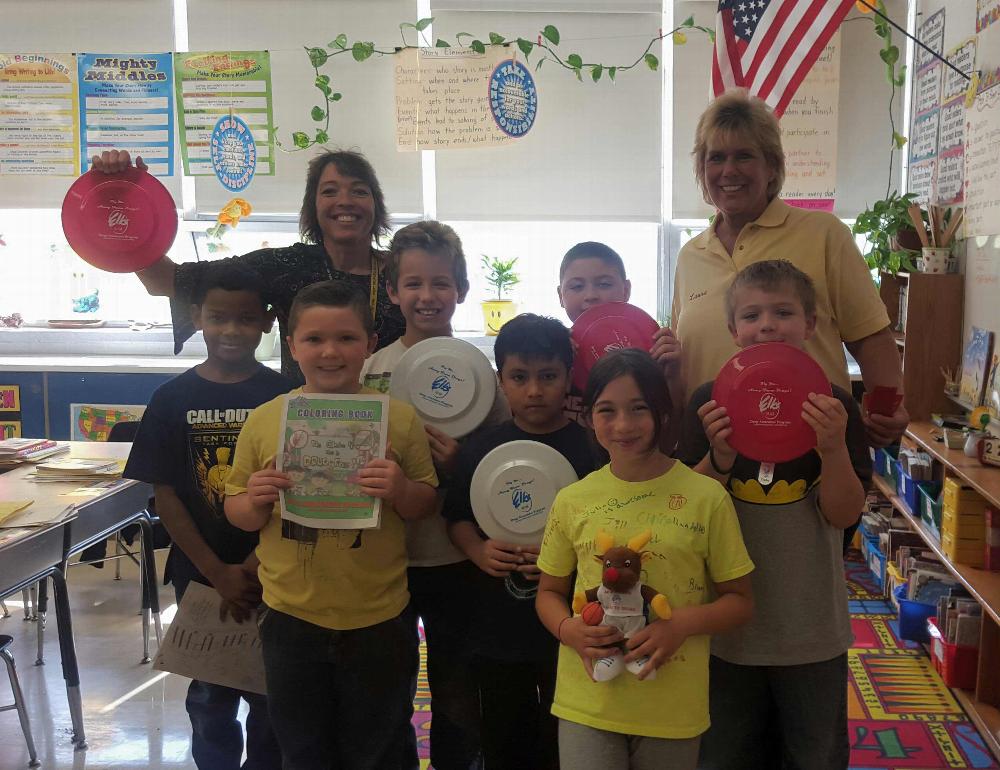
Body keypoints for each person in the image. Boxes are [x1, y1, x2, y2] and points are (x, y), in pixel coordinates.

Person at [224, 280, 438, 770]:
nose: (330, 351)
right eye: (314, 339)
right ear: (292, 344)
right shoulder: (266, 420)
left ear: (369, 344)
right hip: (290, 616)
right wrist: (255, 500)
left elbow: (425, 502)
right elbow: (237, 509)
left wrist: (401, 488)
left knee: (380, 746)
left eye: (345, 338)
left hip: (379, 616)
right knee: (302, 747)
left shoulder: (399, 420)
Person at [676, 260, 870, 770]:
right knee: (724, 752)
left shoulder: (835, 407)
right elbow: (686, 513)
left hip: (811, 627)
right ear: (733, 330)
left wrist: (831, 448)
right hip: (726, 627)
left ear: (810, 324)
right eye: (752, 314)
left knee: (813, 753)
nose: (767, 324)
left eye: (783, 312)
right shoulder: (709, 402)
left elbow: (844, 514)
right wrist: (717, 458)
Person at [535, 348, 754, 770]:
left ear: (662, 412)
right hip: (588, 702)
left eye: (638, 409)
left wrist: (681, 625)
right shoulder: (572, 499)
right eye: (607, 410)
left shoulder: (706, 497)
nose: (623, 425)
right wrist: (568, 630)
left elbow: (740, 601)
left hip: (672, 707)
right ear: (588, 416)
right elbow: (548, 592)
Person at [123, 262, 290, 770]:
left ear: (266, 321)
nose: (232, 330)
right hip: (200, 577)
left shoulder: (286, 398)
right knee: (210, 699)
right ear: (197, 317)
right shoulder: (172, 399)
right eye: (219, 318)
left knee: (271, 699)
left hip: (277, 573)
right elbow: (166, 495)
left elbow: (298, 491)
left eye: (244, 319)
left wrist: (257, 564)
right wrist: (217, 571)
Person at [671, 89, 907, 448]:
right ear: (702, 170)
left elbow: (871, 336)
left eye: (744, 156)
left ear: (772, 167)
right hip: (714, 455)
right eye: (715, 158)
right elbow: (687, 356)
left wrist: (888, 408)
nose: (728, 170)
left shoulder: (824, 235)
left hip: (810, 452)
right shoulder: (691, 255)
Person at [361, 220, 509, 770]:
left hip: (455, 557)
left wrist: (459, 466)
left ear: (462, 291)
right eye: (414, 284)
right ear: (393, 292)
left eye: (441, 283)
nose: (428, 296)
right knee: (385, 686)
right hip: (385, 558)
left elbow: (502, 460)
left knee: (455, 686)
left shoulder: (482, 375)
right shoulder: (371, 370)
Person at [90, 149, 406, 383]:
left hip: (395, 431)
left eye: (359, 191)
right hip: (304, 432)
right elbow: (166, 281)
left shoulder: (404, 275)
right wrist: (125, 203)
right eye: (329, 191)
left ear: (376, 206)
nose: (345, 201)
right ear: (313, 206)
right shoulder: (286, 265)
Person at [444, 314, 603, 770]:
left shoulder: (592, 448)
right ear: (500, 382)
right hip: (497, 623)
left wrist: (566, 564)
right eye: (519, 377)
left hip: (571, 622)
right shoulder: (481, 447)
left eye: (548, 377)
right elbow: (455, 516)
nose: (535, 391)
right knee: (502, 732)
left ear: (568, 378)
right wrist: (477, 549)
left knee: (567, 733)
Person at [557, 241, 682, 436]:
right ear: (560, 295)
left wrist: (672, 374)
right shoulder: (556, 351)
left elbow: (668, 432)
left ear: (626, 290)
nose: (591, 295)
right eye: (577, 286)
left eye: (604, 284)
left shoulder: (653, 347)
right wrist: (554, 362)